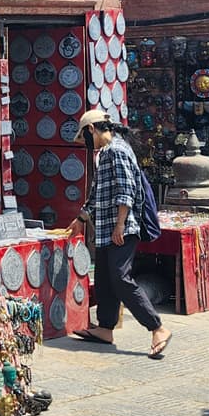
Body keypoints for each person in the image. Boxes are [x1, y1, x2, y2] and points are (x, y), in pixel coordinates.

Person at [69, 109, 172, 359]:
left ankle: (157, 327)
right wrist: (82, 217)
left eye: (85, 137)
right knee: (105, 278)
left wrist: (120, 225)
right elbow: (98, 192)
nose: (86, 144)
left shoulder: (117, 150)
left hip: (121, 229)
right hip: (107, 229)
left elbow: (126, 191)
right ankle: (105, 328)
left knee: (120, 277)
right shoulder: (105, 153)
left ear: (91, 130)